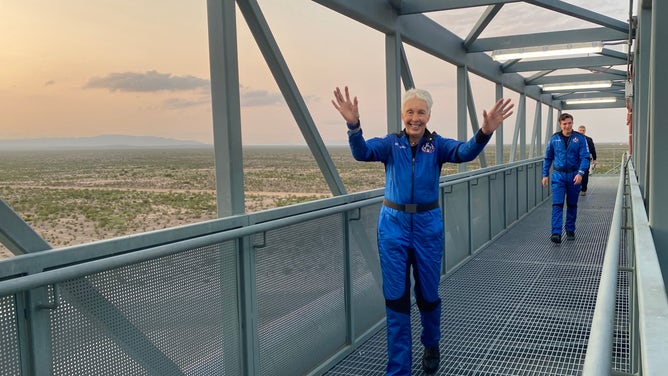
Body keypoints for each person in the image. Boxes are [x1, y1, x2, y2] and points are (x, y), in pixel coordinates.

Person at [332, 86, 513, 375]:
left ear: (428, 115)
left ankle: (431, 342)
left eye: (421, 112)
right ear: (402, 115)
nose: (415, 118)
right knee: (396, 299)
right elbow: (362, 153)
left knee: (428, 295)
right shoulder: (391, 144)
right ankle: (398, 369)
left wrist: (484, 132)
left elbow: (464, 152)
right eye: (410, 112)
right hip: (393, 227)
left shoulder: (437, 145)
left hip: (428, 227)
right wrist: (353, 126)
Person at [541, 113, 590, 244]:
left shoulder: (579, 139)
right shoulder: (554, 139)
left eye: (569, 123)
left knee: (572, 204)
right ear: (560, 124)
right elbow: (548, 157)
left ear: (572, 123)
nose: (567, 126)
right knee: (557, 204)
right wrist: (545, 174)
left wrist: (580, 173)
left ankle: (570, 230)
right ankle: (556, 233)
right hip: (558, 176)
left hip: (574, 175)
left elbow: (585, 157)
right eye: (565, 124)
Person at [577, 125, 597, 195]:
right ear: (578, 130)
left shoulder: (589, 139)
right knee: (575, 173)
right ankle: (576, 188)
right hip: (576, 160)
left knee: (585, 174)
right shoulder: (574, 139)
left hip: (586, 159)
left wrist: (594, 159)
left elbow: (592, 150)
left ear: (585, 131)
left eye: (583, 130)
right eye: (580, 130)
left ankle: (583, 190)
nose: (582, 132)